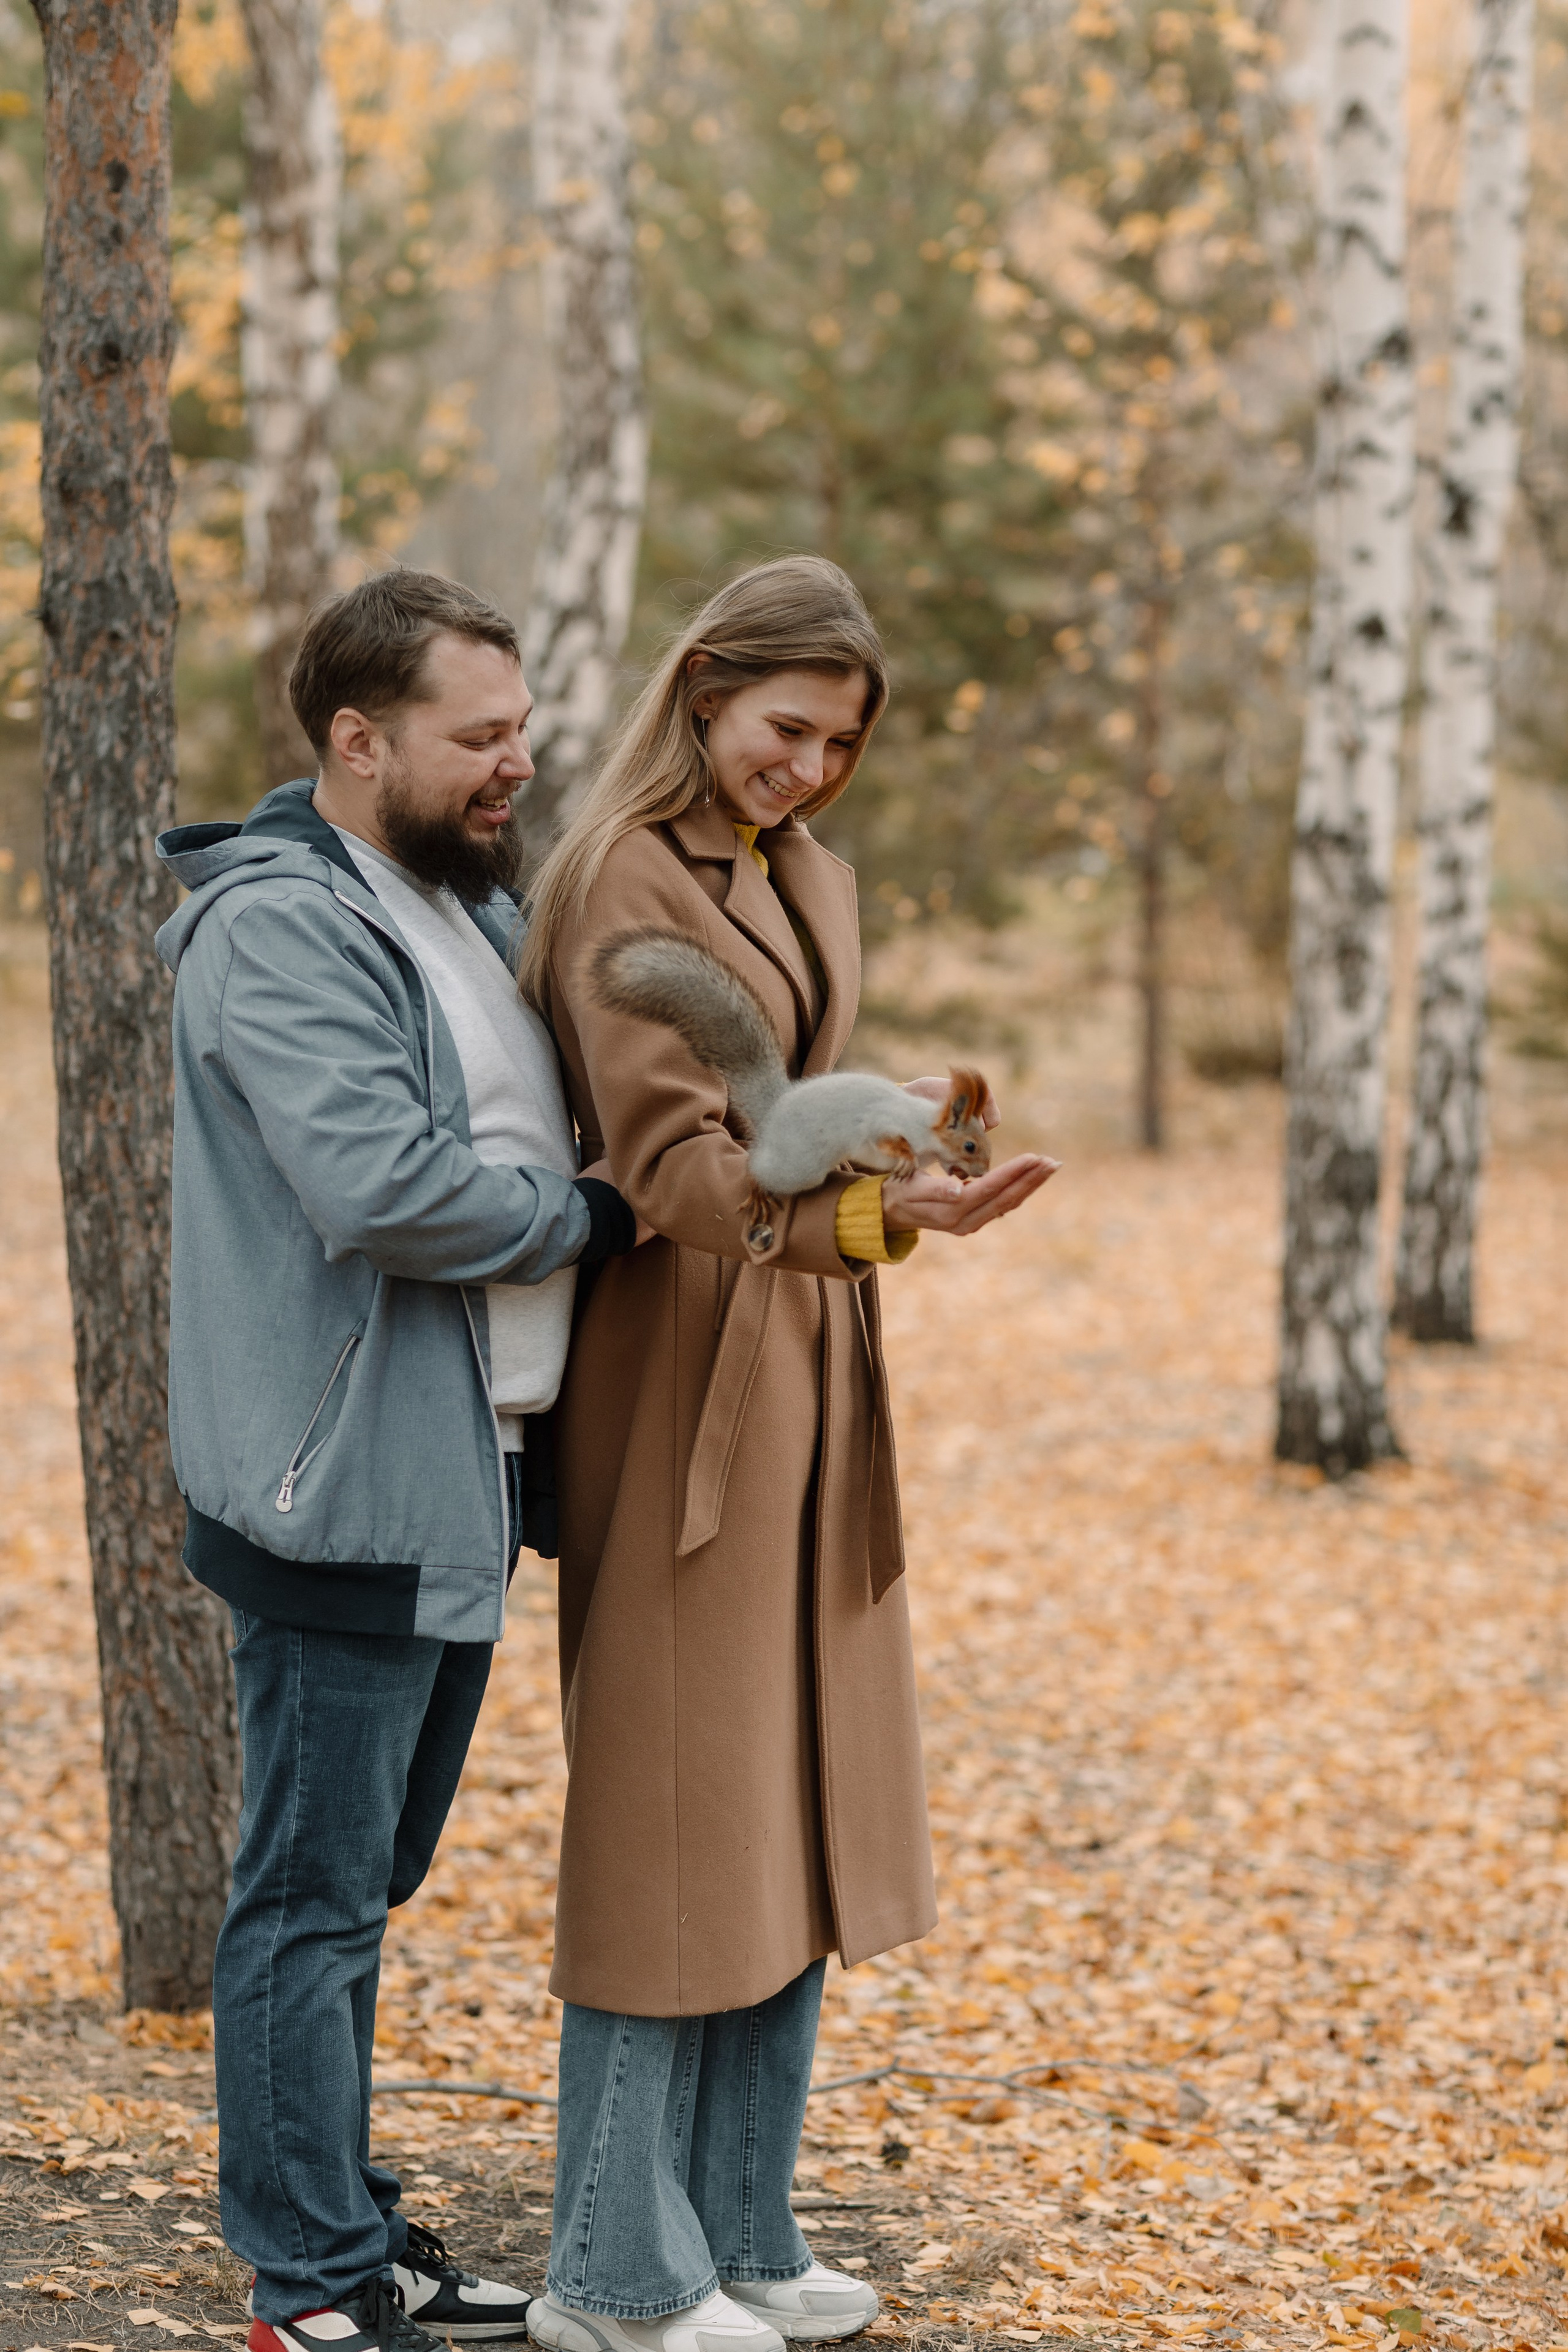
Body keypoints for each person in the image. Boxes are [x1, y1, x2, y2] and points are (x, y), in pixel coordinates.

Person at [516, 557, 1055, 2352]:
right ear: (703, 692)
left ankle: (741, 2225)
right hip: (683, 1373)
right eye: (785, 727)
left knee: (789, 1803)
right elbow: (676, 1167)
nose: (810, 768)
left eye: (839, 743)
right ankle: (613, 2272)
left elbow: (785, 1120)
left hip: (813, 1367)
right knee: (676, 1815)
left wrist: (899, 1163)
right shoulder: (625, 875)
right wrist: (864, 1222)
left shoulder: (806, 872)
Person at [155, 570, 641, 2352]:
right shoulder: (284, 927)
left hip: (459, 1468)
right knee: (309, 1899)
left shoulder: (458, 900)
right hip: (338, 1484)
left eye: (524, 729)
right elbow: (384, 1190)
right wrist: (598, 1216)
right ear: (359, 741)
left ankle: (347, 2229)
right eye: (479, 735)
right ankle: (308, 2282)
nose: (519, 762)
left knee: (362, 1887)